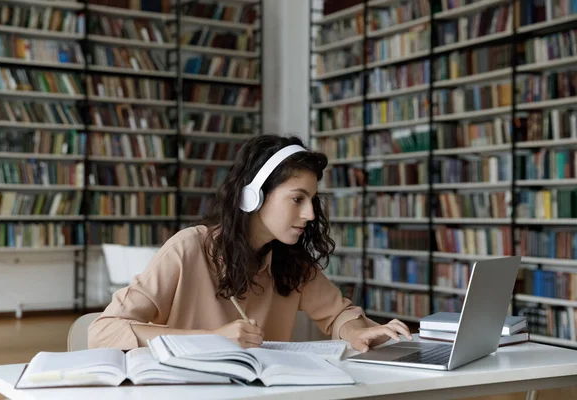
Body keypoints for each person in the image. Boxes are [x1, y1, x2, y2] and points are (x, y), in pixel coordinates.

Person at [88, 135, 412, 351]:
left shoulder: (291, 260)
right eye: (297, 199)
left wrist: (355, 332)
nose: (311, 213)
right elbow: (103, 332)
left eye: (312, 200)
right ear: (252, 197)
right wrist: (212, 339)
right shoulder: (188, 248)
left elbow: (339, 314)